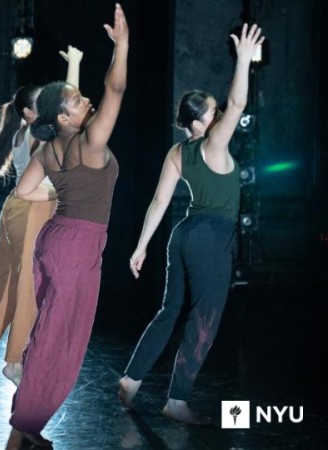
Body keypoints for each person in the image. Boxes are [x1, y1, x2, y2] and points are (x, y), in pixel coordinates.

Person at [118, 23, 265, 425]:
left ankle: (131, 379)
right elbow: (237, 105)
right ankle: (176, 399)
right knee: (205, 319)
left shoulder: (177, 152)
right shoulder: (213, 144)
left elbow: (160, 201)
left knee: (169, 311)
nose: (220, 116)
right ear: (198, 124)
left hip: (181, 235)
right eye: (212, 113)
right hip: (210, 237)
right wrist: (243, 63)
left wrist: (142, 245)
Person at [9, 4, 129, 446]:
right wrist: (123, 46)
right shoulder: (90, 141)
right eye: (76, 102)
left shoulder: (51, 148)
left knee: (50, 330)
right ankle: (27, 421)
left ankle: (27, 417)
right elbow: (115, 89)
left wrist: (61, 195)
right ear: (63, 117)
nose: (86, 102)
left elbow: (24, 192)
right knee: (61, 337)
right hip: (77, 244)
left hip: (57, 239)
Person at [0, 47, 83, 386]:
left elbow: (68, 109)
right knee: (28, 283)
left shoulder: (23, 133)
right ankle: (15, 360)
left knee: (2, 276)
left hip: (15, 209)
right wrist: (73, 66)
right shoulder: (34, 132)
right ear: (30, 112)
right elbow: (71, 111)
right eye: (43, 102)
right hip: (33, 209)